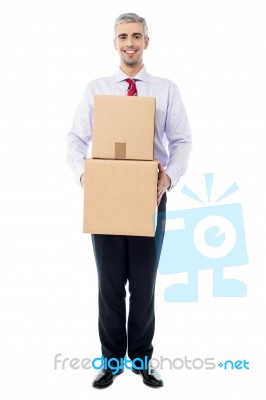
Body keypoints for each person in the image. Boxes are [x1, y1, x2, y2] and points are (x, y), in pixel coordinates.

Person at [66, 12, 192, 389]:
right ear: (115, 42)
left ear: (147, 42)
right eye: (123, 37)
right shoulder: (97, 89)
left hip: (149, 199)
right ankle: (110, 361)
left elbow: (182, 141)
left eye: (137, 36)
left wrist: (168, 177)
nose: (130, 43)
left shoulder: (165, 89)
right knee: (108, 283)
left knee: (143, 285)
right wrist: (87, 177)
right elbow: (75, 139)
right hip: (106, 198)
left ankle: (141, 360)